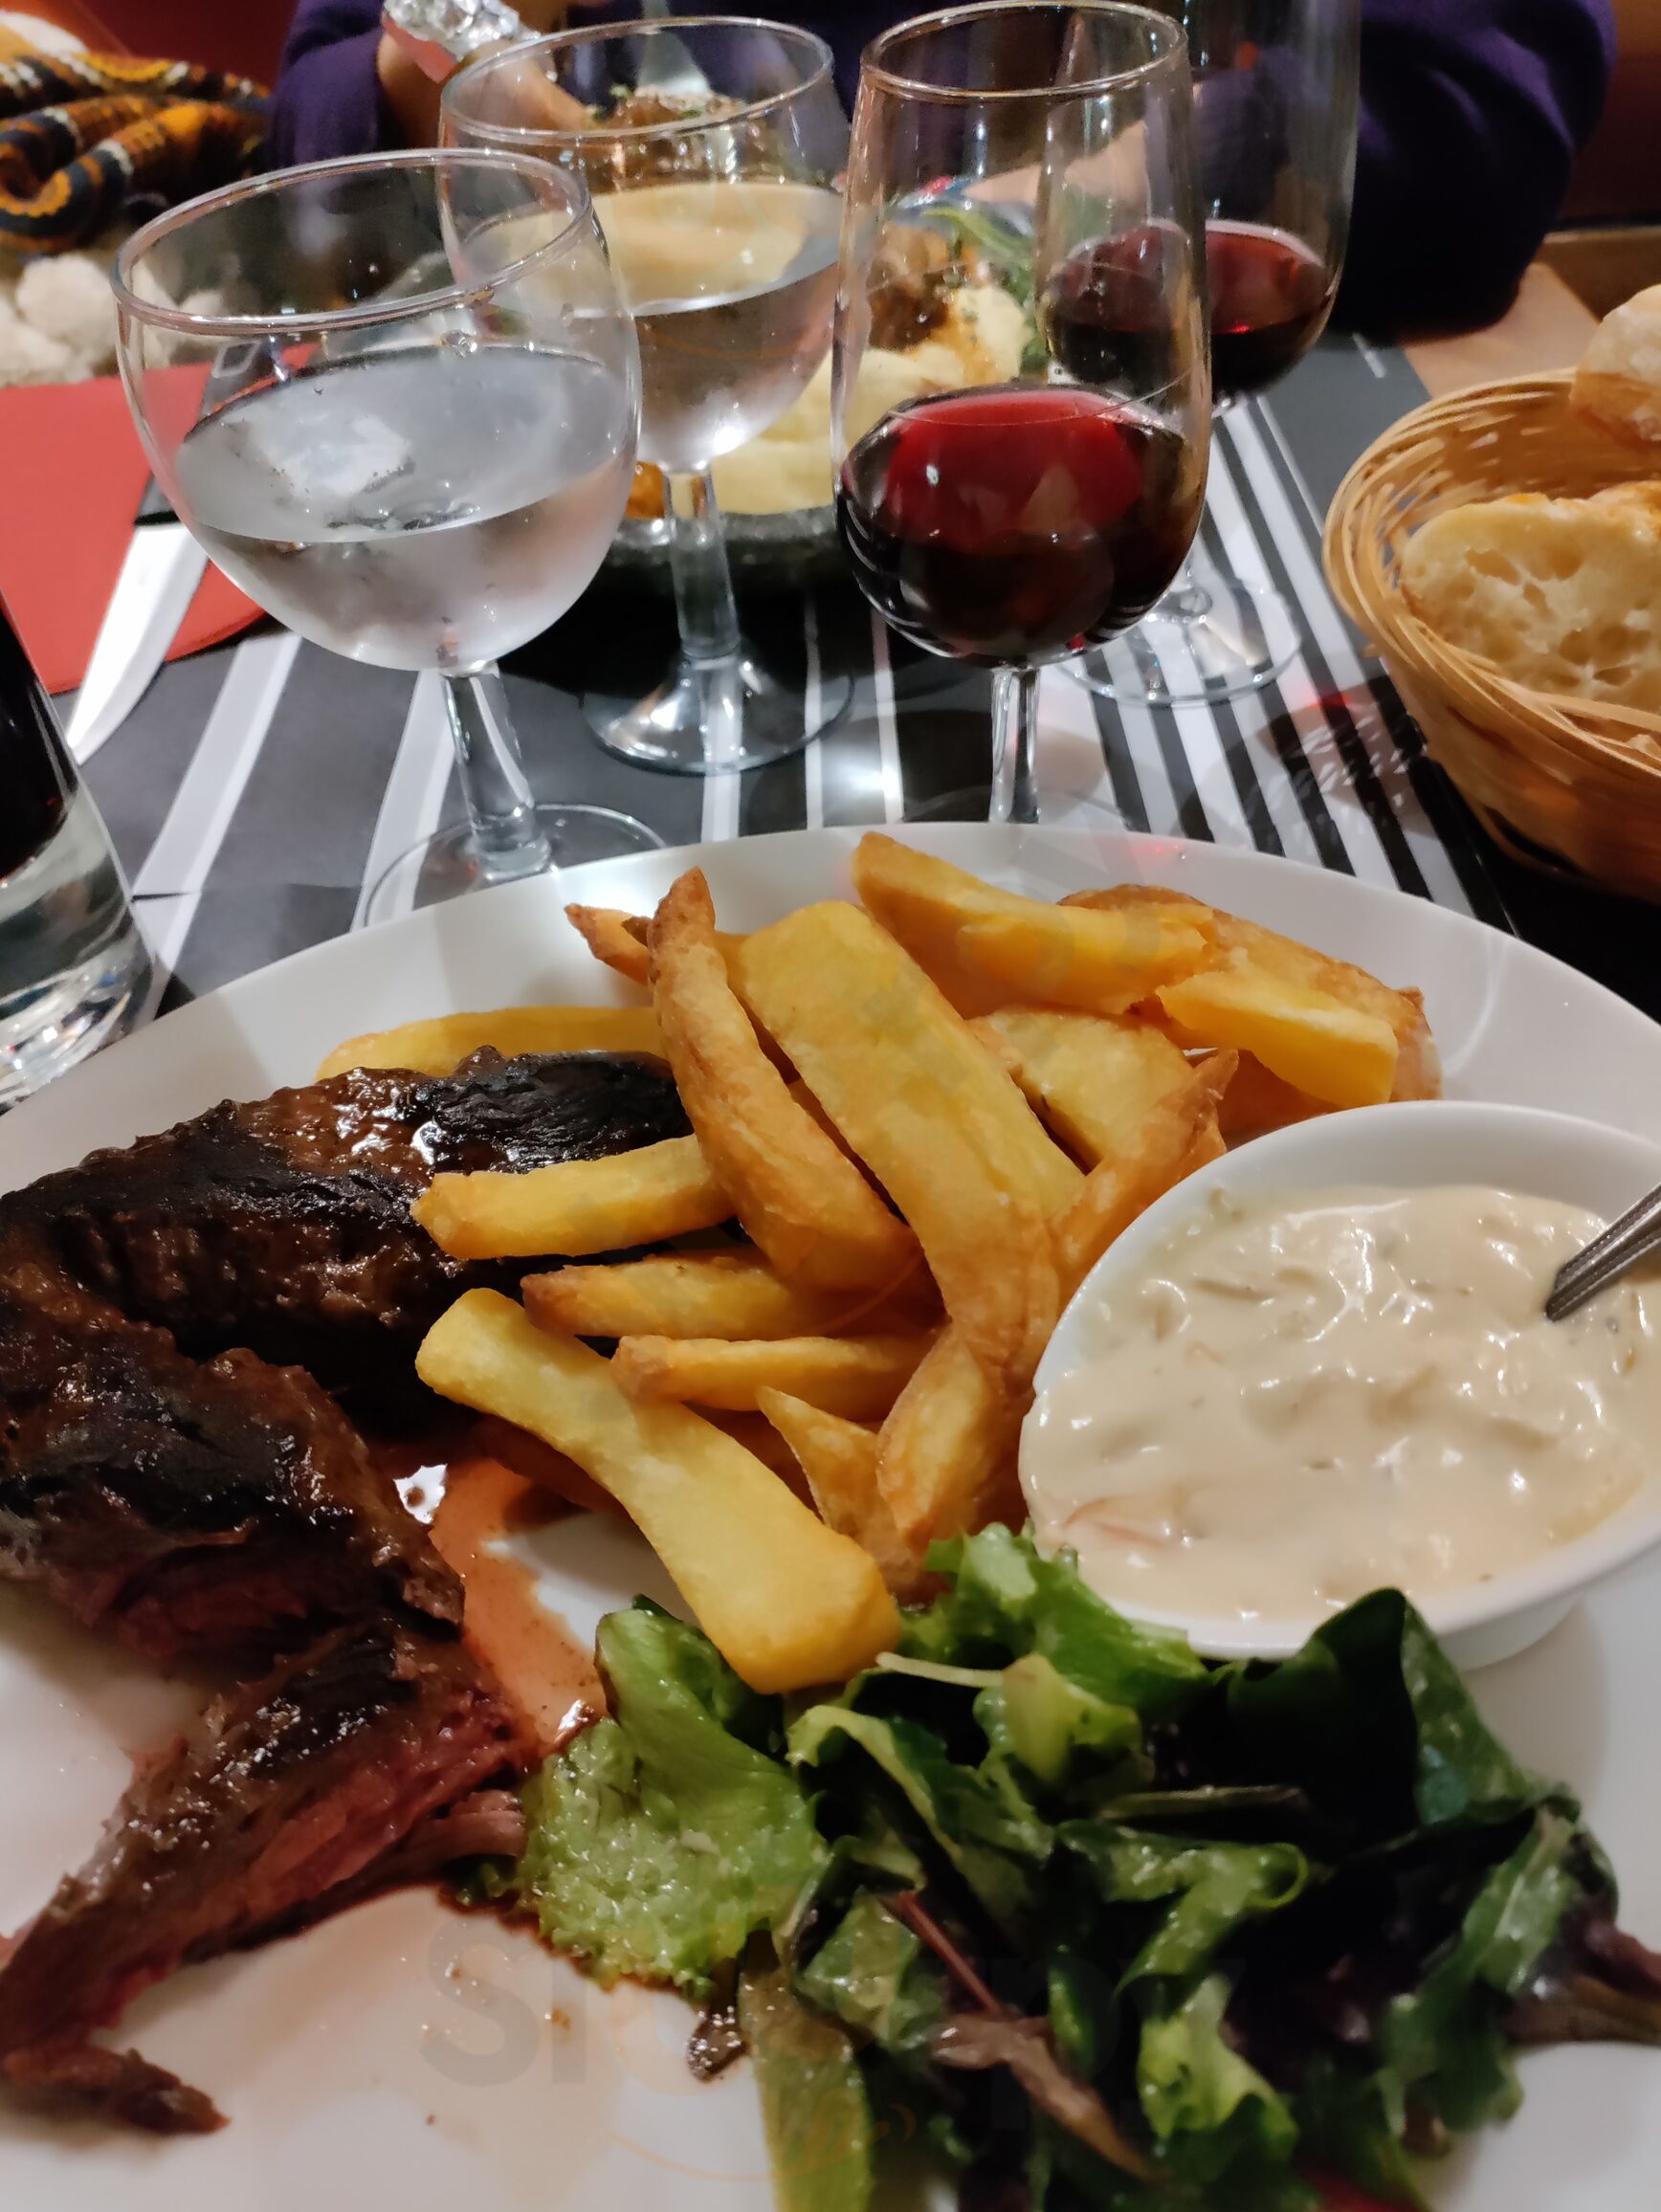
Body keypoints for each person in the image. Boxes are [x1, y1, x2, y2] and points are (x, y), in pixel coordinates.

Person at [268, 0, 1616, 334]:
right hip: (609, 490)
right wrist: (448, 73)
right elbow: (313, 186)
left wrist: (1042, 202)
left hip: (1141, 391)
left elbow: (1469, 130)